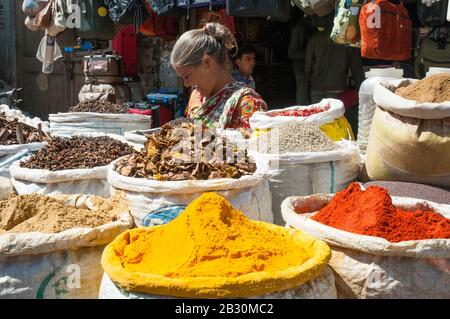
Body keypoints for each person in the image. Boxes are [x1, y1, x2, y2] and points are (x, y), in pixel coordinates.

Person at [171, 23, 267, 131]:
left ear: (206, 62)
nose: (186, 84)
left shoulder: (246, 104)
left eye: (187, 76)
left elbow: (257, 145)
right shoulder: (196, 97)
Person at [301, 17, 364, 105]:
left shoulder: (315, 39)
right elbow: (356, 68)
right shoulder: (348, 40)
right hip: (338, 88)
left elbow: (307, 67)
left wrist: (305, 90)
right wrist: (360, 91)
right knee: (337, 118)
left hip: (317, 88)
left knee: (318, 116)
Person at [288, 16, 310, 105]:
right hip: (301, 68)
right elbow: (291, 53)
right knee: (303, 95)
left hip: (308, 67)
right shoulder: (299, 29)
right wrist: (309, 54)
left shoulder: (307, 27)